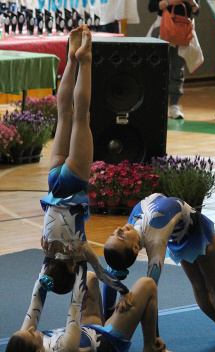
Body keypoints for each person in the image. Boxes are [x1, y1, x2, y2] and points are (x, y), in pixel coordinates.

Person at [38, 24, 131, 301]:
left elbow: (101, 272)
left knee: (81, 116)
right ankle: (70, 58)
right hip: (54, 181)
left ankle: (85, 59)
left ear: (70, 267)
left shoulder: (78, 250)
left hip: (73, 181)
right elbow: (44, 280)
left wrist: (122, 290)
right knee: (64, 116)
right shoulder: (46, 248)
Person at [103, 193, 215, 340]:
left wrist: (105, 322)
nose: (118, 229)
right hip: (196, 231)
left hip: (180, 235)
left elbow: (111, 274)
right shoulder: (155, 241)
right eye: (121, 237)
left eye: (113, 234)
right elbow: (151, 295)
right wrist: (153, 339)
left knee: (201, 287)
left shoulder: (129, 229)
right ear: (135, 249)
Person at [5, 263, 174, 352]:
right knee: (148, 284)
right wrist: (79, 262)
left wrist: (47, 262)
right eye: (32, 334)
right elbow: (75, 307)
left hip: (87, 329)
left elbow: (35, 303)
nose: (32, 329)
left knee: (90, 278)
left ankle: (111, 316)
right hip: (108, 341)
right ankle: (150, 347)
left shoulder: (26, 348)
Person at [148, 0, 200, 119]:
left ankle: (174, 105)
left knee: (178, 68)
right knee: (157, 67)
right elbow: (151, 6)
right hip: (163, 28)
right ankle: (155, 103)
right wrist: (169, 2)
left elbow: (197, 11)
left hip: (182, 32)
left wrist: (192, 3)